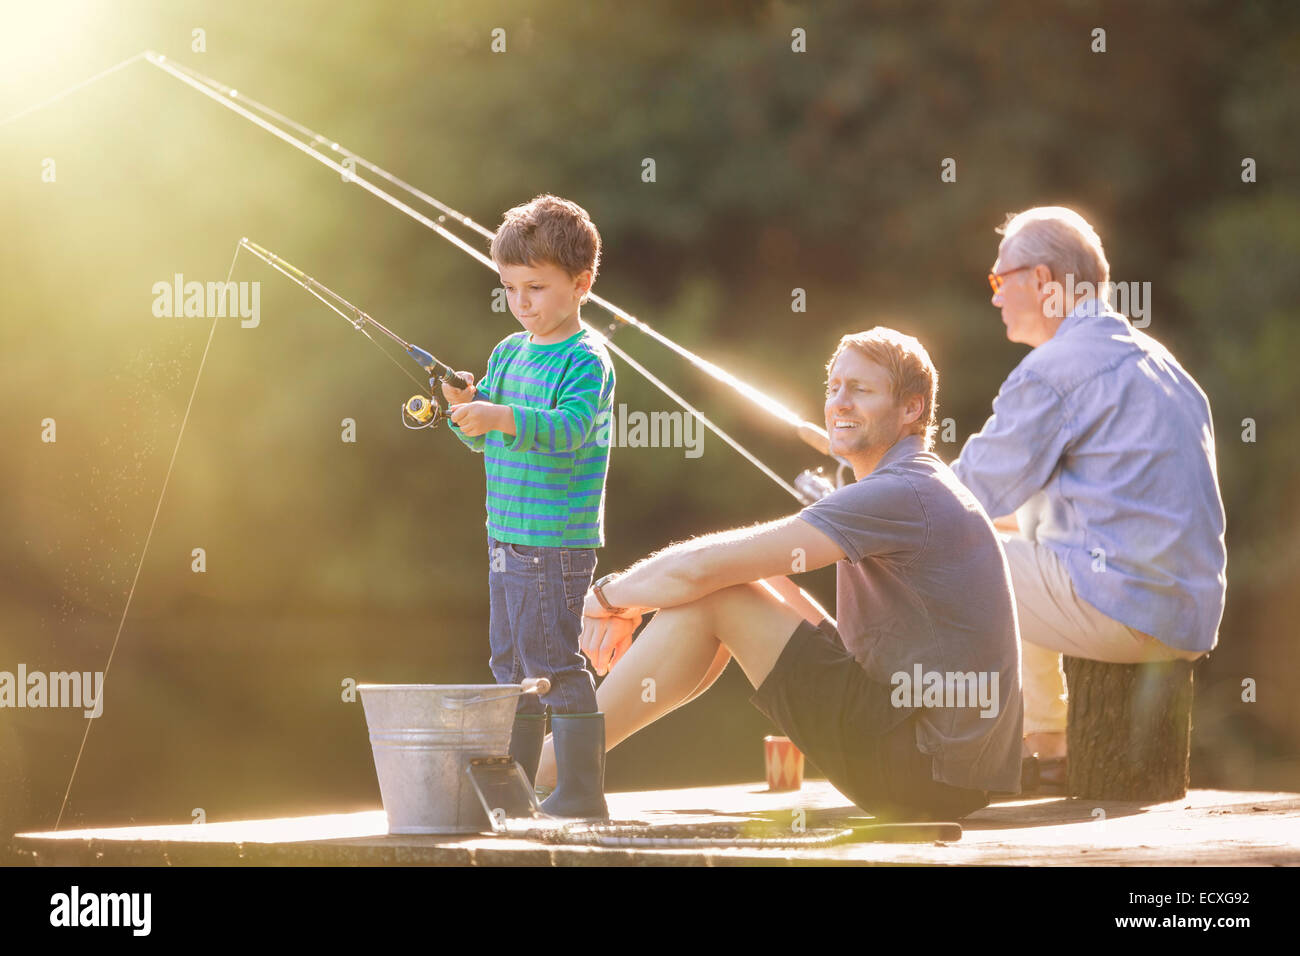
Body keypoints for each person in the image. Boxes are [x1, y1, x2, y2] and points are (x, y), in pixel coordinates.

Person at [536, 328, 1023, 820]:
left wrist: (605, 599)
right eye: (833, 388)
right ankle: (556, 764)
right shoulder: (921, 481)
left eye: (861, 390)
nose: (839, 403)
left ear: (912, 409)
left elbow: (701, 569)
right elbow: (738, 572)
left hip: (922, 770)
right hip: (950, 772)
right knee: (741, 584)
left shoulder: (901, 492)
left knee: (717, 594)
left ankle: (546, 768)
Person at [951, 206, 1226, 788]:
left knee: (952, 554)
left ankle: (950, 755)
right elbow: (1020, 511)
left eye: (1001, 280)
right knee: (1001, 537)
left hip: (1127, 609)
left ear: (1045, 281)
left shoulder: (1053, 369)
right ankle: (1047, 749)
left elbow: (959, 497)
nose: (995, 296)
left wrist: (875, 488)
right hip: (1186, 619)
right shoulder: (1165, 366)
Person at [442, 194, 616, 818]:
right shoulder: (508, 352)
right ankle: (514, 793)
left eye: (536, 288)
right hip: (504, 536)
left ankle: (580, 794)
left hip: (556, 543)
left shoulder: (586, 357)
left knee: (553, 663)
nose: (522, 302)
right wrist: (467, 406)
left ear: (580, 284)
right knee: (509, 665)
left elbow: (569, 428)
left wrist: (501, 414)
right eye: (511, 288)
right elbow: (484, 433)